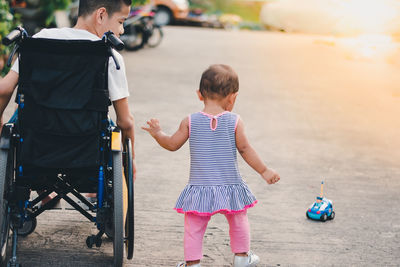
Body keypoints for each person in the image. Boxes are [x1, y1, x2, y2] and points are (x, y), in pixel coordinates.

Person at [142, 64, 281, 267]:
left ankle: (193, 264)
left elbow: (172, 145)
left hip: (200, 187)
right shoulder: (234, 121)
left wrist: (158, 134)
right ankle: (242, 258)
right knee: (239, 220)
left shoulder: (190, 121)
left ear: (200, 94)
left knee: (193, 228)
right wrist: (264, 170)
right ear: (233, 97)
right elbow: (245, 149)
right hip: (230, 186)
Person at [0, 0, 136, 204]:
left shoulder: (39, 41)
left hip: (37, 144)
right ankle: (94, 192)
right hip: (85, 147)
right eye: (120, 21)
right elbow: (125, 121)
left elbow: (4, 89)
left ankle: (44, 188)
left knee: (23, 115)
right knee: (107, 127)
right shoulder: (108, 54)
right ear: (100, 15)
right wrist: (129, 160)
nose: (122, 30)